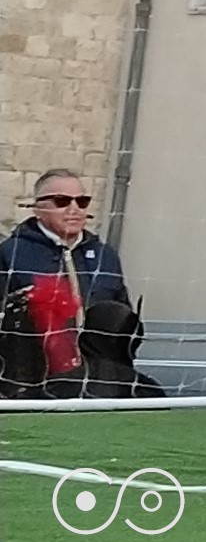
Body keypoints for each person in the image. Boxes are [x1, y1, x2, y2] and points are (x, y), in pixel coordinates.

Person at [0, 170, 140, 397]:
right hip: (34, 382)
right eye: (62, 201)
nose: (74, 208)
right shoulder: (10, 253)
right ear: (38, 208)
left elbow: (122, 313)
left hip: (101, 380)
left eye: (82, 201)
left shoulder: (105, 255)